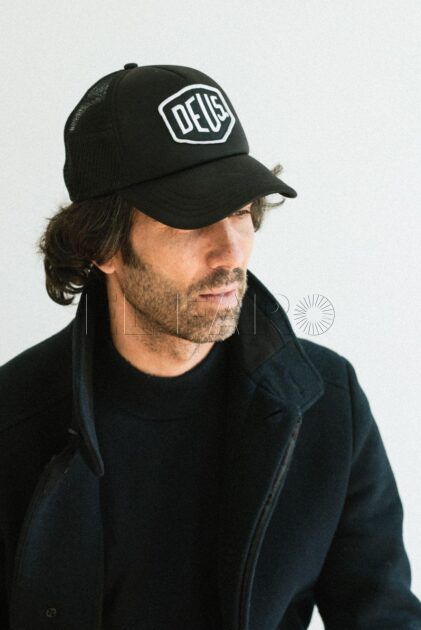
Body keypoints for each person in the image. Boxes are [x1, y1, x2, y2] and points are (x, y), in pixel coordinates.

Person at [0, 63, 420, 630]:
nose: (231, 251)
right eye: (192, 217)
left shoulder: (325, 401)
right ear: (100, 246)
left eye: (240, 211)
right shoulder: (14, 422)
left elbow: (384, 616)